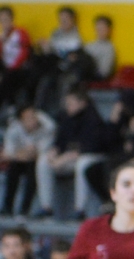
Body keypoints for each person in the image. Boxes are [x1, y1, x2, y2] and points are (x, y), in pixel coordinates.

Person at [35, 86, 109, 218]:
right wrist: (54, 151)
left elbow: (91, 147)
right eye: (66, 103)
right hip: (68, 158)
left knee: (83, 164)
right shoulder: (66, 117)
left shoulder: (93, 119)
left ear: (82, 103)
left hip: (91, 157)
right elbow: (59, 141)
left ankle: (80, 209)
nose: (67, 106)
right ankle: (46, 206)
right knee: (43, 161)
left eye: (71, 103)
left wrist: (65, 158)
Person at [2, 104, 55, 216]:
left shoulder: (47, 126)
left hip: (37, 161)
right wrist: (23, 154)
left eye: (34, 117)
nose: (33, 121)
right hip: (19, 160)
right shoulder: (14, 129)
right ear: (21, 121)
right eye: (28, 118)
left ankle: (25, 208)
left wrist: (22, 153)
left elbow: (40, 151)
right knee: (13, 168)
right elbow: (8, 154)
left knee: (33, 169)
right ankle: (7, 206)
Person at [0, 6, 34, 110]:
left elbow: (25, 52)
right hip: (5, 66)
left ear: (12, 19)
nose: (4, 22)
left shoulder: (20, 33)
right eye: (1, 20)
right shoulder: (1, 36)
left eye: (6, 19)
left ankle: (9, 105)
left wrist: (13, 66)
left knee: (8, 78)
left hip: (19, 68)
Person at [84, 15, 116, 83]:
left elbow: (105, 72)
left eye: (103, 28)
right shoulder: (89, 45)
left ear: (109, 30)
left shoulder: (109, 48)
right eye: (98, 28)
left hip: (97, 77)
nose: (100, 31)